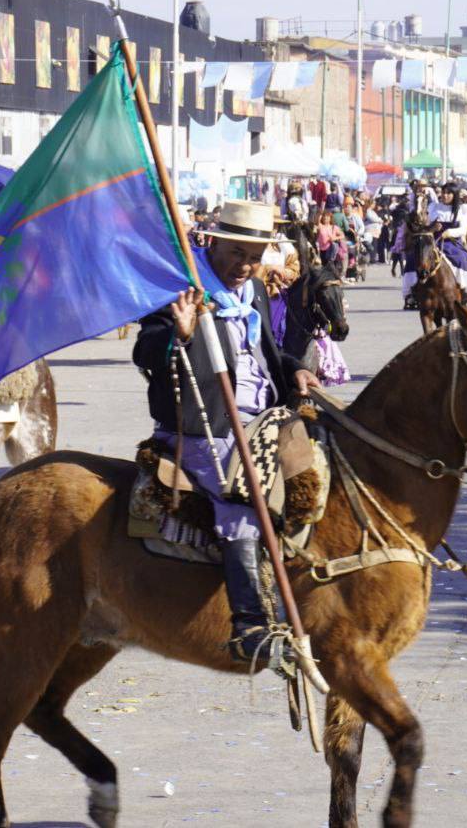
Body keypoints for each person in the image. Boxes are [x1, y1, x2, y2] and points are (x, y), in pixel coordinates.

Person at [132, 200, 320, 666]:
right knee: (244, 493)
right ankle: (250, 625)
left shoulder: (252, 289)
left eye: (253, 257)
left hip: (264, 417)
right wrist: (179, 335)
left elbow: (267, 353)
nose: (245, 266)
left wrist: (294, 369)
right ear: (212, 243)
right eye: (236, 253)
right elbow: (145, 353)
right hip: (206, 427)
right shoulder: (181, 288)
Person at [427, 181, 467, 305]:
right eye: (443, 192)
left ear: (455, 195)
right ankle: (413, 293)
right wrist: (433, 228)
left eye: (449, 193)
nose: (445, 195)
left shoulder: (461, 209)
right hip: (434, 242)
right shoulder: (434, 207)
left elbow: (463, 230)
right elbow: (426, 226)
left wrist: (449, 232)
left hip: (452, 243)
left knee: (465, 260)